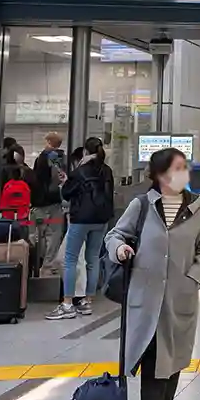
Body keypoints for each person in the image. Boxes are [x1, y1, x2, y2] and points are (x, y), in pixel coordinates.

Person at [106, 147, 200, 400]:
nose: (183, 173)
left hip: (179, 303)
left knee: (174, 364)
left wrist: (192, 279)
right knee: (154, 372)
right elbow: (115, 235)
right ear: (159, 175)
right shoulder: (142, 206)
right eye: (177, 168)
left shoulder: (198, 208)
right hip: (146, 304)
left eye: (185, 167)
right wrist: (121, 249)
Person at [47, 137, 114, 320]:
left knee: (70, 259)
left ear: (85, 152)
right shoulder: (106, 171)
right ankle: (87, 302)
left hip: (81, 219)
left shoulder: (80, 171)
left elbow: (67, 193)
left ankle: (67, 303)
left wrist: (67, 180)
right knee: (92, 259)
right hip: (101, 220)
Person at [30, 132, 66, 275]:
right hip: (55, 202)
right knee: (54, 235)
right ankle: (48, 265)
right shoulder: (61, 158)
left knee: (38, 234)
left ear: (49, 142)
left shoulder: (43, 157)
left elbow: (37, 180)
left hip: (40, 204)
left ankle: (38, 265)